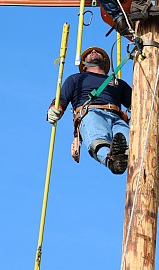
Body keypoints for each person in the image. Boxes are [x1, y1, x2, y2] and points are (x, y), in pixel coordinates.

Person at [47, 46, 131, 174]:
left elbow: (135, 104)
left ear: (105, 61)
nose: (94, 52)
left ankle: (145, 154)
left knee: (130, 143)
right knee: (99, 139)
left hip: (117, 118)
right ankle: (112, 161)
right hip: (91, 112)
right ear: (84, 64)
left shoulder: (118, 83)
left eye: (98, 52)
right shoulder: (76, 79)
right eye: (89, 52)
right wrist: (55, 109)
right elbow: (62, 98)